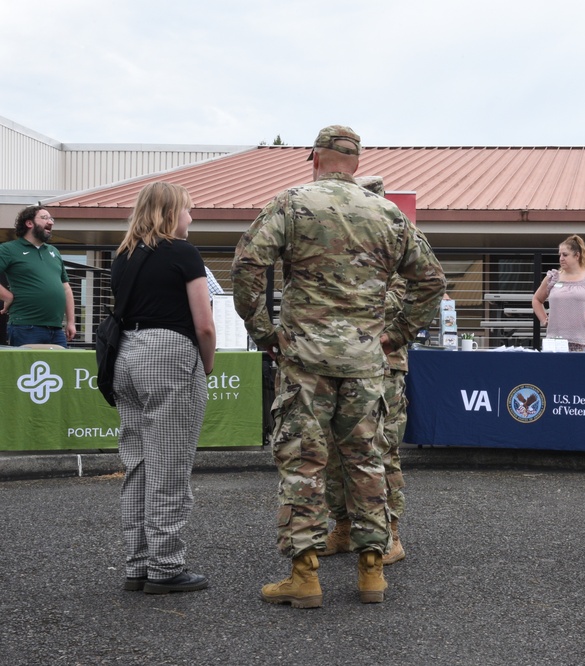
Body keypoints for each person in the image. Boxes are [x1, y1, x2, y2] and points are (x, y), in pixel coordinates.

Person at [232, 125, 446, 609]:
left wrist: (266, 332)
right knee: (366, 460)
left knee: (304, 463)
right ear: (354, 162)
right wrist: (397, 333)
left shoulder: (291, 203)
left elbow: (247, 265)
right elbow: (431, 280)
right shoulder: (388, 213)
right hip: (365, 361)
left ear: (315, 157)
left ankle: (305, 577)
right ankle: (372, 572)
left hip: (305, 359)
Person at [111, 182, 216, 594]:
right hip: (169, 353)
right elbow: (204, 323)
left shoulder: (123, 255)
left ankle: (137, 564)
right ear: (172, 213)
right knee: (169, 463)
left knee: (137, 463)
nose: (192, 218)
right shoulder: (183, 252)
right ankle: (166, 566)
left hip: (126, 355)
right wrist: (205, 365)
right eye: (189, 210)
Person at [320, 177, 411, 566]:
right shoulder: (341, 247)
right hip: (342, 363)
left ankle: (390, 532)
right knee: (334, 451)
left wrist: (348, 302)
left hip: (384, 363)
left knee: (380, 447)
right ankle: (343, 524)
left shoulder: (397, 243)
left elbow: (401, 297)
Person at [0, 206, 76, 347]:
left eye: (51, 218)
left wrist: (71, 322)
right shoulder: (8, 249)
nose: (51, 222)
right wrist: (7, 296)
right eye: (44, 218)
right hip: (25, 327)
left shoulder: (54, 251)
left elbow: (66, 288)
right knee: (25, 369)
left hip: (56, 330)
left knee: (60, 369)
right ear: (29, 223)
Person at [531, 234, 585, 351]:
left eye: (565, 255)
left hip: (582, 343)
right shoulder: (552, 277)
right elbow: (537, 299)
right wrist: (543, 319)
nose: (561, 258)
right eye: (560, 255)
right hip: (554, 343)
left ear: (577, 255)